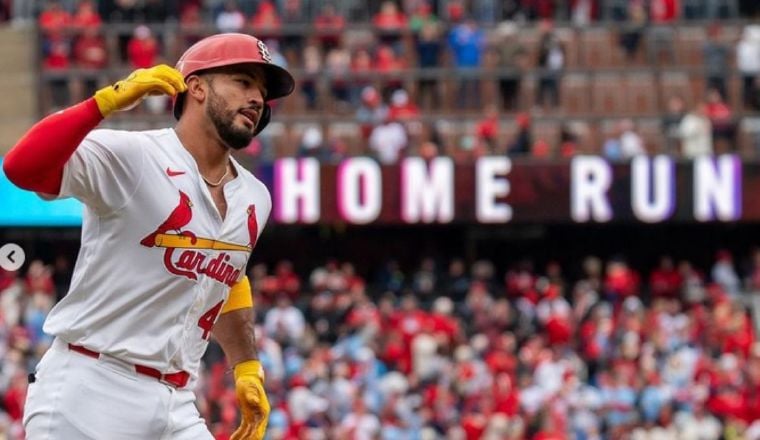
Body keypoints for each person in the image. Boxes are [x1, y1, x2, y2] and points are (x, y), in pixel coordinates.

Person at [3, 33, 295, 439]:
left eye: (262, 92)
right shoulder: (135, 156)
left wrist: (246, 367)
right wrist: (103, 103)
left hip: (176, 399)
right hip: (90, 386)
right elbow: (22, 169)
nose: (257, 99)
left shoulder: (254, 195)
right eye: (243, 82)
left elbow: (227, 275)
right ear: (196, 86)